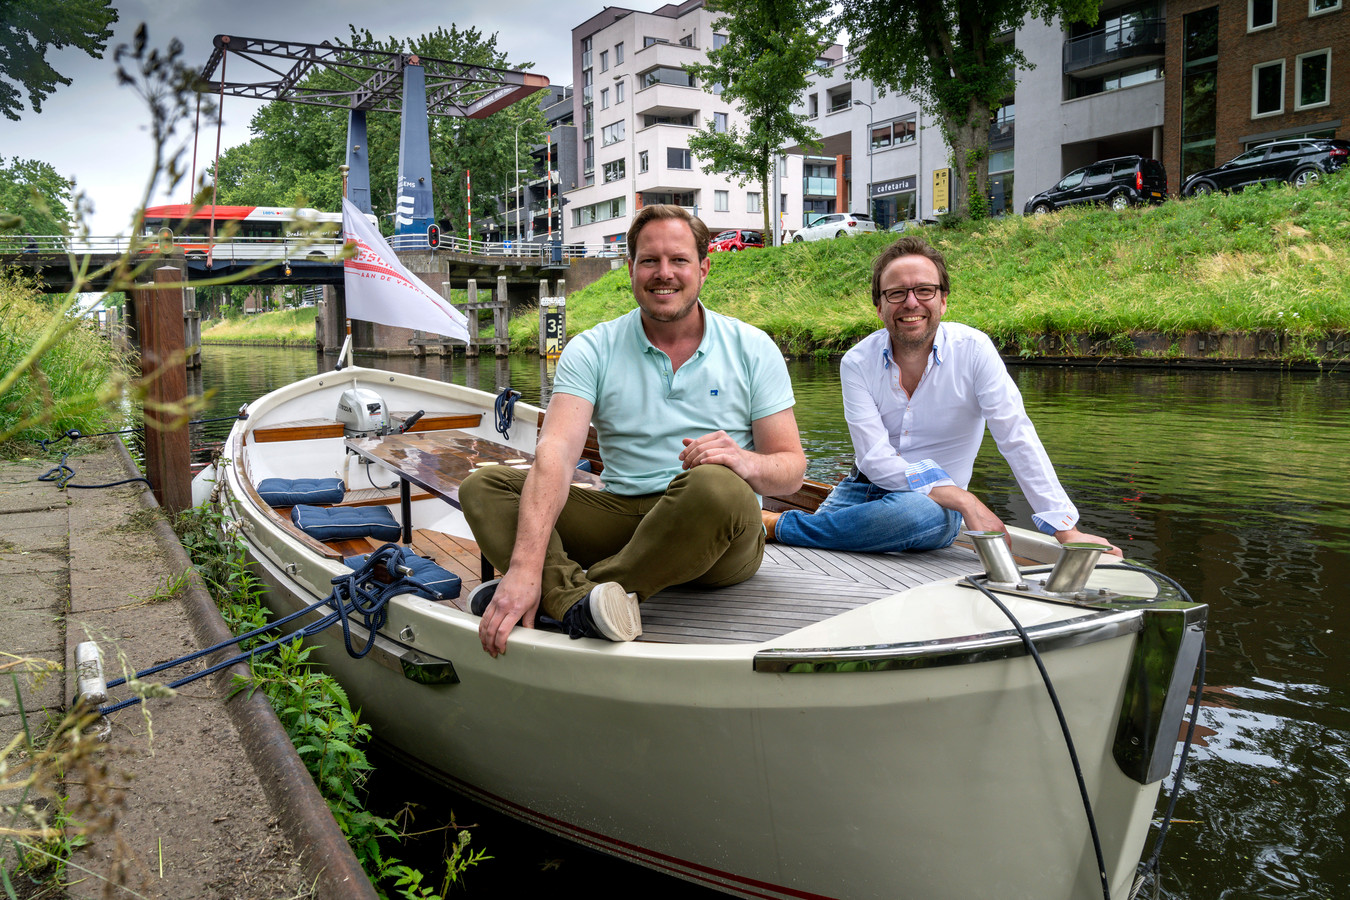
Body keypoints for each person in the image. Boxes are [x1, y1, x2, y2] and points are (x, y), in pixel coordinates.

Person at [461, 204, 806, 658]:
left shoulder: (753, 348)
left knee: (717, 485)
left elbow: (792, 471)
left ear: (703, 268)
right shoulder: (592, 348)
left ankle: (572, 592)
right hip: (623, 515)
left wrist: (744, 461)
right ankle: (572, 603)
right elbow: (558, 453)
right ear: (630, 268)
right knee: (483, 485)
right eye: (650, 260)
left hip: (721, 539)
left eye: (679, 260)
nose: (664, 273)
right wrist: (524, 566)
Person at [762, 235, 1119, 557]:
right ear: (880, 306)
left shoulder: (975, 351)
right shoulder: (857, 361)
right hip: (864, 488)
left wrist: (1065, 529)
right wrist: (964, 498)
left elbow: (1016, 435)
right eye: (896, 293)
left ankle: (777, 523)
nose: (911, 303)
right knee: (808, 559)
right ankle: (801, 527)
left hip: (931, 507)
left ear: (944, 300)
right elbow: (873, 458)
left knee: (913, 513)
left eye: (925, 291)